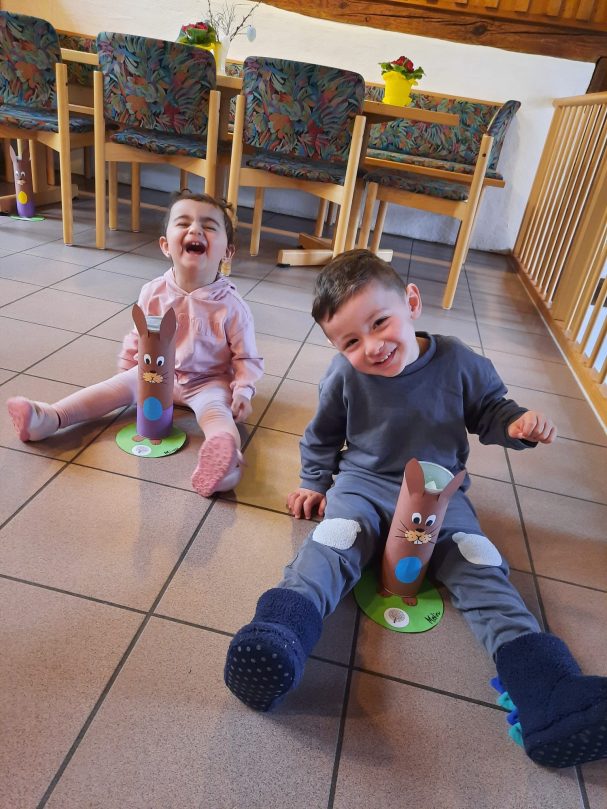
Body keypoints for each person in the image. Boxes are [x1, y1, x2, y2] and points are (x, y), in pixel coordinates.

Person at [225, 248, 607, 770]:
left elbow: (492, 409)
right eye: (350, 342)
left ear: (411, 302)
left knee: (479, 562)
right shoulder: (343, 377)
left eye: (380, 323)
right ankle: (278, 635)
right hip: (363, 486)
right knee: (331, 544)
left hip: (439, 491)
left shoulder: (458, 361)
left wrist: (516, 425)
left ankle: (548, 693)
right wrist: (313, 483)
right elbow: (321, 437)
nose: (372, 346)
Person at [6, 191, 263, 497]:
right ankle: (50, 418)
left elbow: (246, 358)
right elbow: (138, 335)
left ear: (227, 252)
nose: (195, 230)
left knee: (217, 414)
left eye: (208, 226)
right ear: (165, 245)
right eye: (184, 223)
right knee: (108, 389)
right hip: (155, 373)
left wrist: (243, 391)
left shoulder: (232, 306)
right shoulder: (153, 292)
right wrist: (128, 367)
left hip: (207, 382)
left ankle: (226, 464)